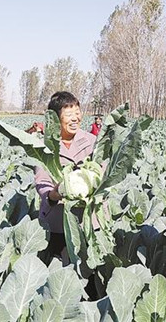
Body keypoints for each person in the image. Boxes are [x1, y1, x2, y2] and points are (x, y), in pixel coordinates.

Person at [35, 91, 96, 263]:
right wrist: (54, 194)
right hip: (57, 221)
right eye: (69, 115)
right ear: (55, 118)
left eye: (77, 113)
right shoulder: (43, 146)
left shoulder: (93, 142)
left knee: (88, 271)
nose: (75, 118)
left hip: (88, 221)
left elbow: (103, 173)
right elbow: (42, 181)